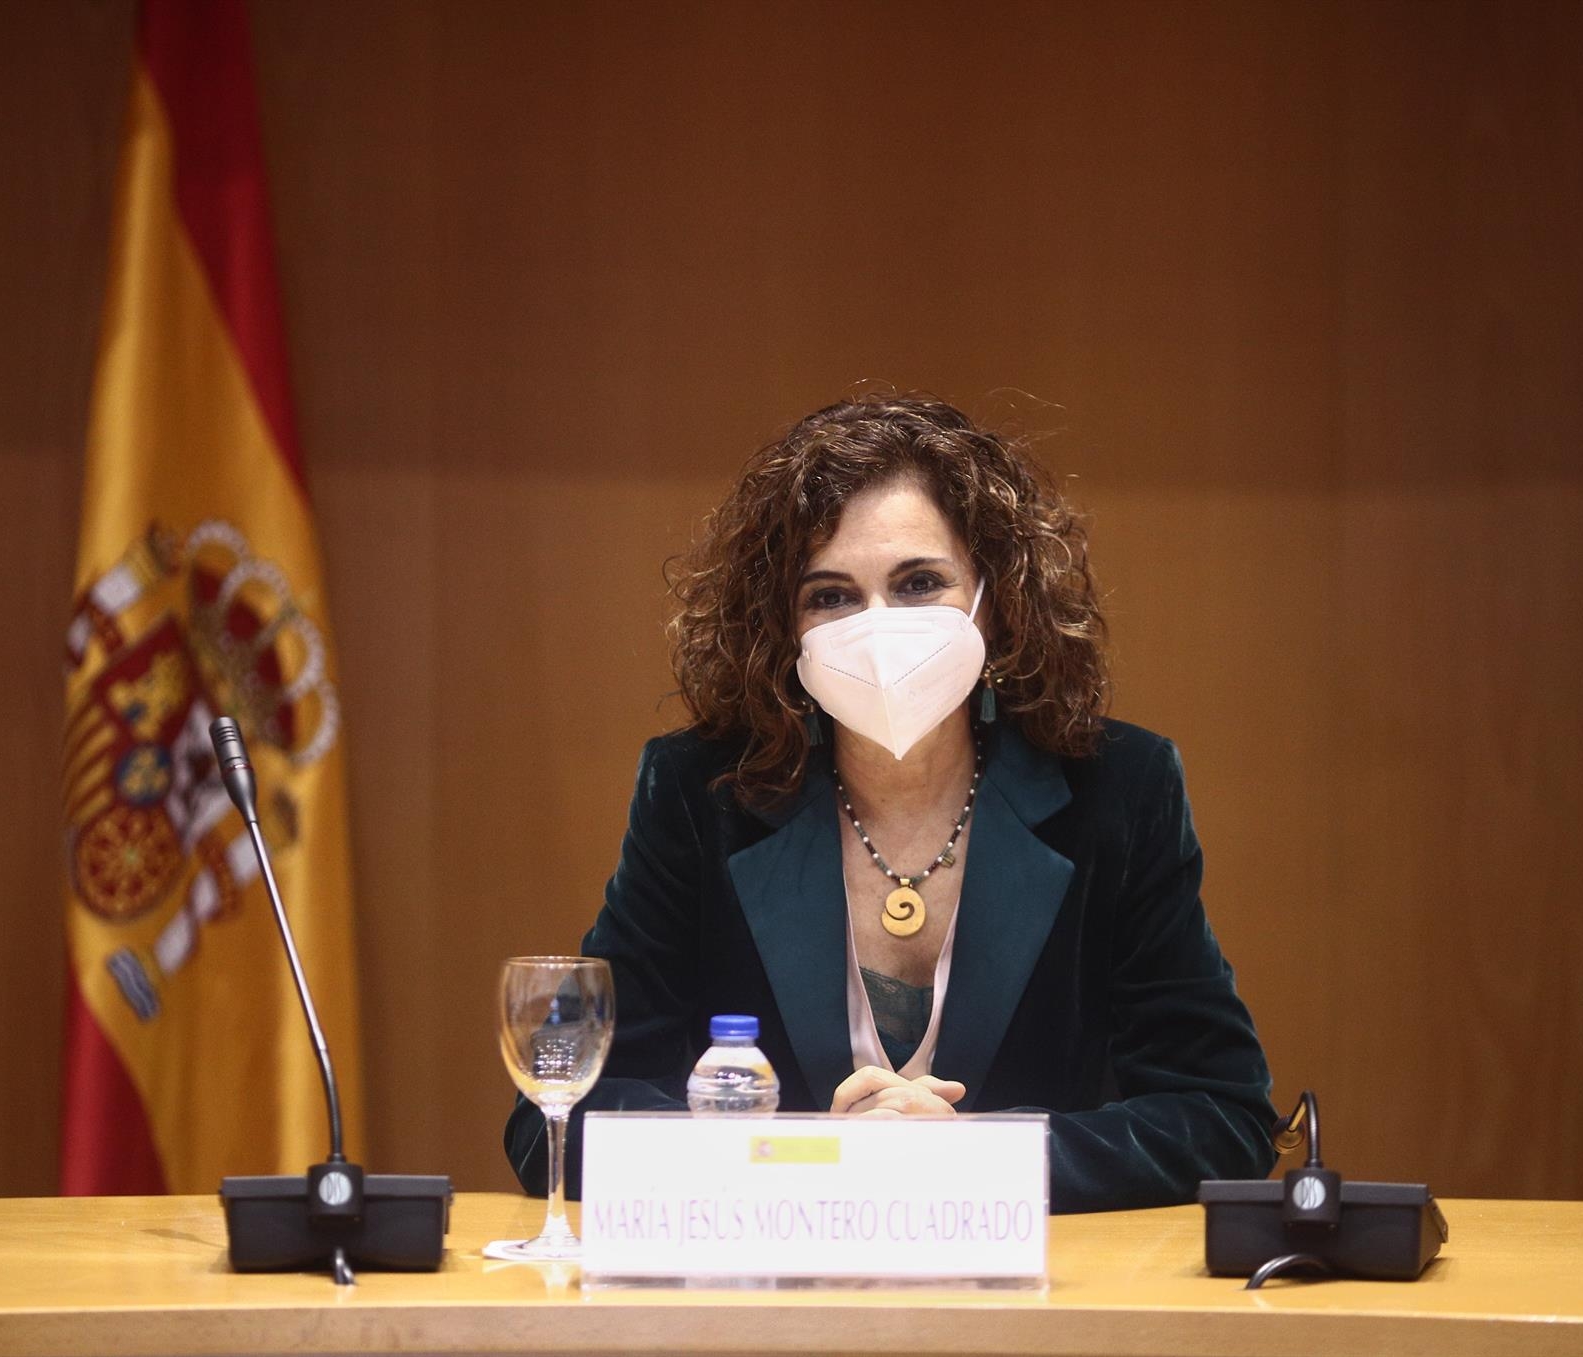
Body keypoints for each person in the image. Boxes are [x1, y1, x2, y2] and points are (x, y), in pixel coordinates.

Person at [504, 394, 1276, 1211]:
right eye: (831, 596)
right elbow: (555, 1113)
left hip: (1036, 1282)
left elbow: (1222, 1113)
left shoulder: (1118, 789)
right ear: (784, 629)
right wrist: (807, 1155)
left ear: (995, 600)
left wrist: (975, 1157)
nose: (877, 626)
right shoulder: (702, 794)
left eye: (919, 583)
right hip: (780, 1277)